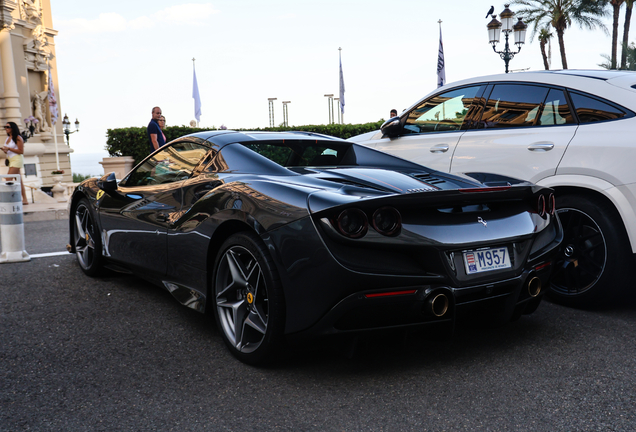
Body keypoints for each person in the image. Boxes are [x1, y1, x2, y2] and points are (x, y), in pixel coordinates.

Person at [2, 122, 28, 205]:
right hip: (11, 159)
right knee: (19, 180)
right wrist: (5, 150)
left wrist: (9, 148)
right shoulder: (8, 138)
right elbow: (9, 150)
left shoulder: (18, 137)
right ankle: (24, 199)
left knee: (8, 179)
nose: (6, 128)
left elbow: (21, 151)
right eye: (5, 127)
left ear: (12, 128)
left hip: (17, 159)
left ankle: (11, 198)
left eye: (8, 127)